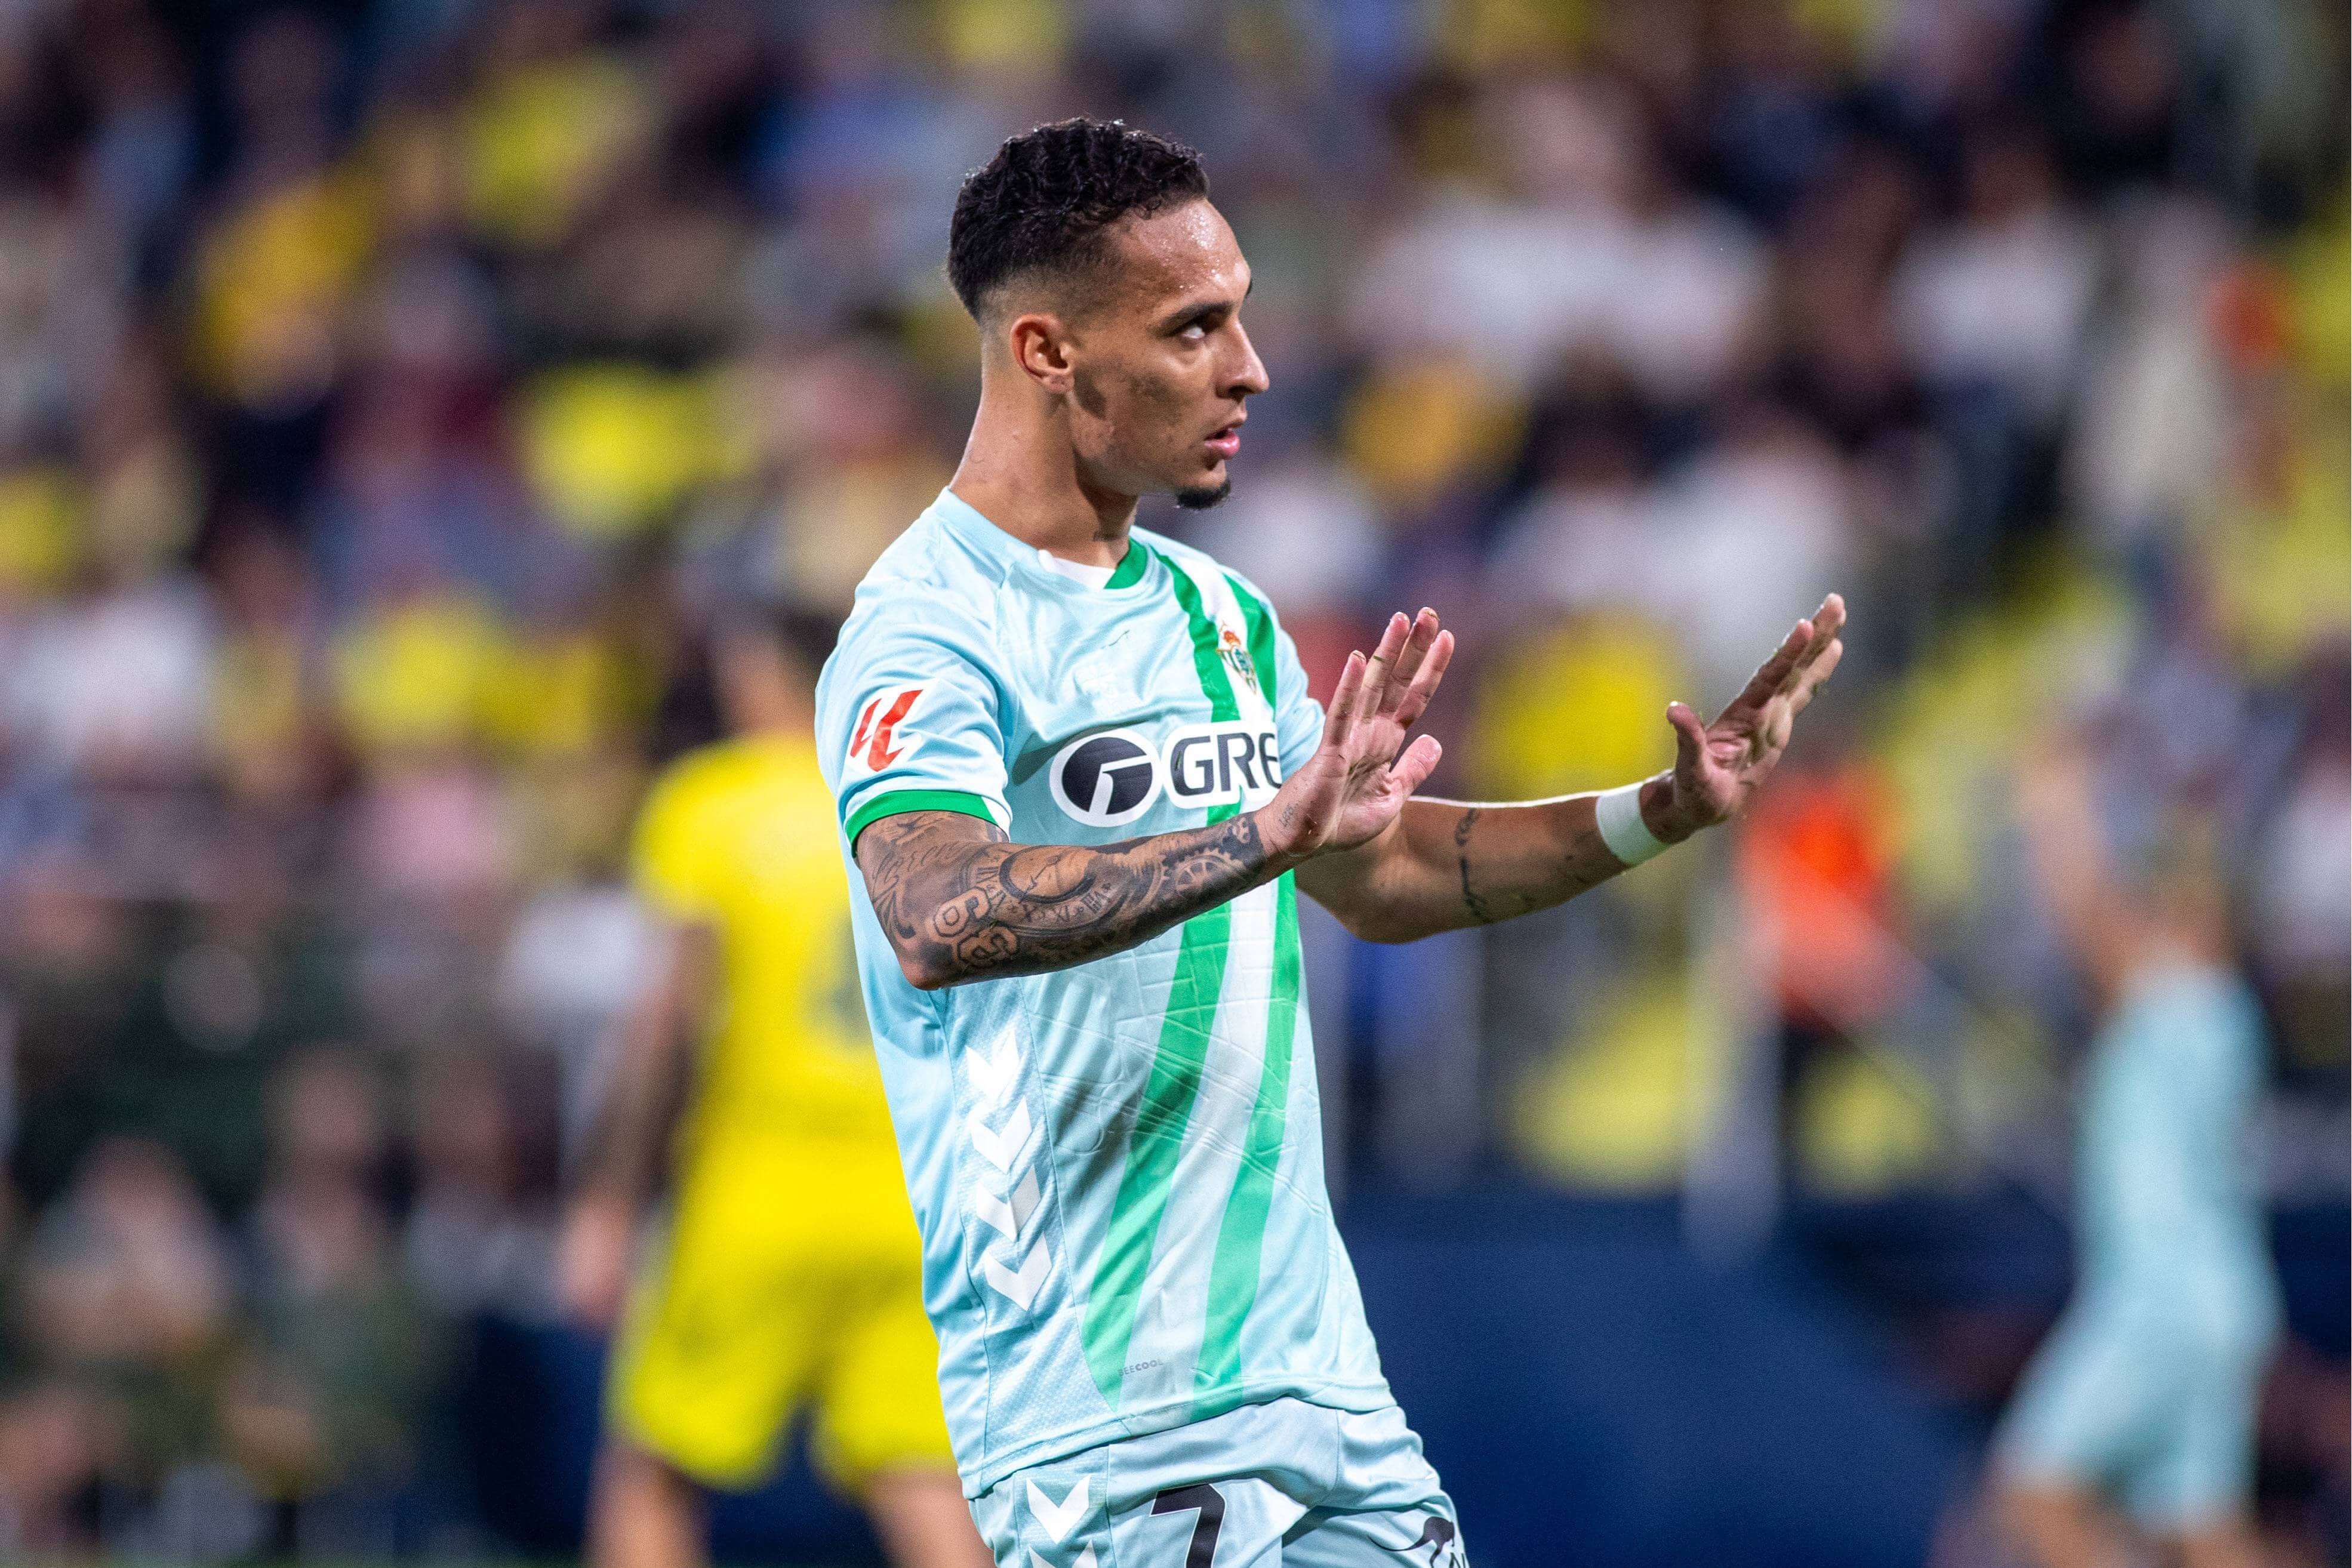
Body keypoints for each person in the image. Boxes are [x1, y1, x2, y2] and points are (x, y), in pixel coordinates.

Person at [816, 118, 1846, 1568]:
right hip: (1106, 1413)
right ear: (1047, 351)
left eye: (1240, 316)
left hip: (1323, 1393)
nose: (1248, 368)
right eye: (1193, 328)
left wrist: (1653, 813)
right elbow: (936, 912)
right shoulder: (929, 626)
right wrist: (1256, 834)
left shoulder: (1218, 615)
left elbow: (1377, 873)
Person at [561, 607, 991, 1568]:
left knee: (655, 1470)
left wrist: (607, 1200)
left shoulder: (716, 803)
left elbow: (667, 1026)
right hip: (916, 1197)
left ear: (762, 675)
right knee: (923, 1477)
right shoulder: (930, 815)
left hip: (762, 1184)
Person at [1991, 740, 2282, 1568]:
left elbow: (2087, 916)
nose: (2157, 911)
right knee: (2207, 1536)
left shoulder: (2183, 1000)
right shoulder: (2225, 1020)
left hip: (2157, 1301)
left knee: (2031, 1491)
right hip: (2223, 1301)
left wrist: (2057, 803)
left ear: (2213, 926)